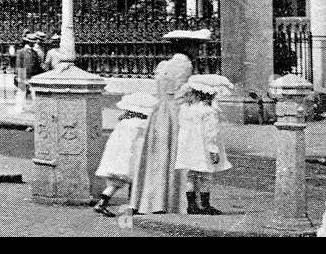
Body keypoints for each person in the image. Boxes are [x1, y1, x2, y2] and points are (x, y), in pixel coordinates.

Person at [131, 28, 211, 215]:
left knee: (158, 154)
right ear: (187, 48)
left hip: (159, 112)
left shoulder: (163, 65)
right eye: (196, 47)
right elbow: (182, 94)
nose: (198, 52)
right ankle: (176, 201)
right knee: (177, 153)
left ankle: (151, 200)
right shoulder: (185, 66)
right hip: (175, 112)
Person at [175, 74, 233, 215]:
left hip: (188, 146)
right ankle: (205, 204)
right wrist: (213, 149)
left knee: (191, 174)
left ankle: (192, 205)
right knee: (205, 174)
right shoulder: (209, 111)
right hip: (202, 147)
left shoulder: (185, 108)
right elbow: (211, 133)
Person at [91, 93, 156, 216]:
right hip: (132, 157)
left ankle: (101, 203)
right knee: (136, 181)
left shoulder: (123, 122)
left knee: (115, 184)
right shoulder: (141, 124)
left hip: (118, 158)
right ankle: (133, 206)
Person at [12, 31, 45, 113]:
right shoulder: (21, 52)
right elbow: (18, 64)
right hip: (23, 73)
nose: (34, 44)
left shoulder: (34, 52)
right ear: (29, 42)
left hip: (33, 74)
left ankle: (36, 108)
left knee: (34, 92)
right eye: (32, 42)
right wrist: (17, 75)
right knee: (21, 92)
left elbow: (37, 64)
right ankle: (19, 108)